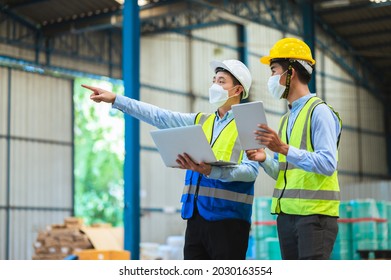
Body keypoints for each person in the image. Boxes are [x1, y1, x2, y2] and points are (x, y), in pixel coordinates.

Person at [82, 59, 259, 260]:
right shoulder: (201, 121)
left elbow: (251, 171)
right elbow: (159, 116)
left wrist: (213, 171)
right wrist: (116, 99)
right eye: (214, 80)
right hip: (195, 218)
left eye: (221, 81)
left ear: (237, 91)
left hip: (229, 221)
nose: (214, 86)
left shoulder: (249, 123)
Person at [246, 38, 342, 260]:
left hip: (314, 216)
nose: (271, 78)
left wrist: (283, 148)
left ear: (291, 72)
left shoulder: (319, 112)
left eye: (273, 71)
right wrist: (264, 159)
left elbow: (328, 164)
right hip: (287, 215)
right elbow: (286, 173)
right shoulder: (286, 119)